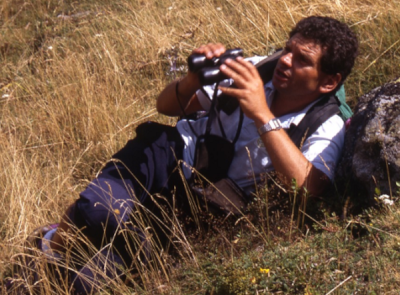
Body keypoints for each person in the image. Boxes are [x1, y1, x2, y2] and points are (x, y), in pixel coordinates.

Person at [17, 16, 358, 293]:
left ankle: (44, 268)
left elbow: (309, 187)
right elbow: (166, 106)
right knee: (98, 209)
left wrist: (261, 114)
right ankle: (52, 242)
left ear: (329, 82)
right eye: (288, 49)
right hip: (170, 156)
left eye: (302, 60)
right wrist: (194, 78)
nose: (285, 60)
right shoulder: (254, 70)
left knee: (86, 283)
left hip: (206, 207)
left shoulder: (328, 125)